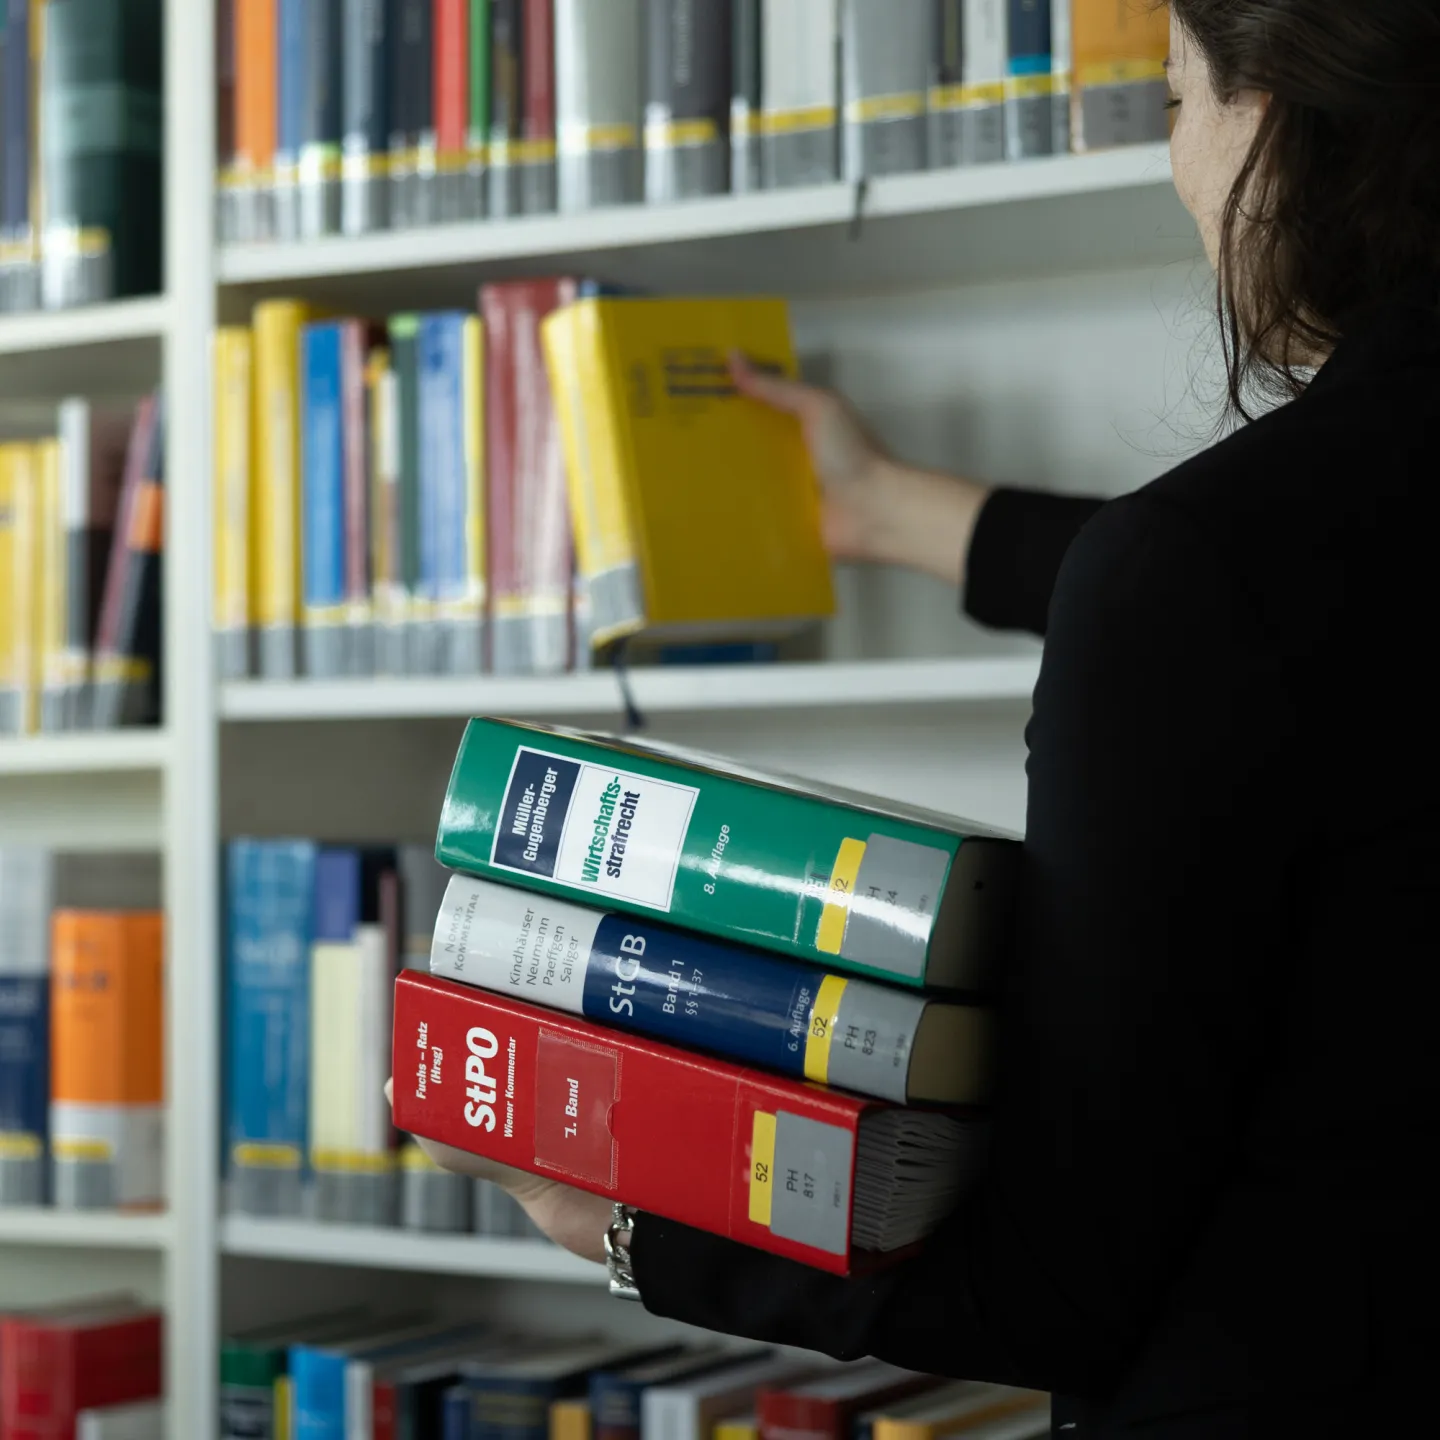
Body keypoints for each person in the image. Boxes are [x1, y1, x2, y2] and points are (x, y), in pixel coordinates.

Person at [402, 3, 1439, 1435]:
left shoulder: (1219, 578)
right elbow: (1310, 612)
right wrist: (889, 513)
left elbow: (1055, 1283)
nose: (1178, 168)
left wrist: (631, 1221)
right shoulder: (1244, 578)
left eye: (1171, 100)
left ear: (1282, 119)